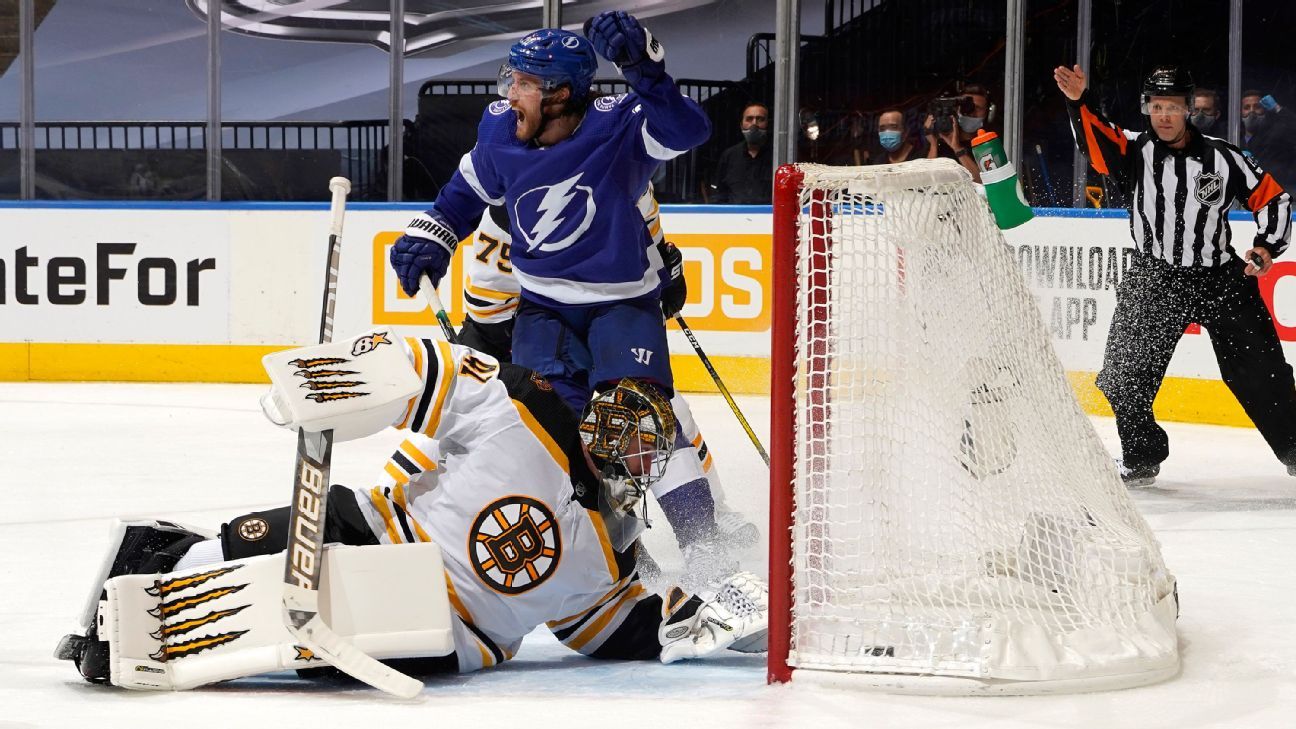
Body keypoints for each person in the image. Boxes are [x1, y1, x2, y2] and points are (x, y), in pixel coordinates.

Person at [57, 333, 768, 689]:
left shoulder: (613, 562)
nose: (624, 461)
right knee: (249, 542)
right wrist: (344, 383)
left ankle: (157, 631)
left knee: (270, 624)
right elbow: (429, 367)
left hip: (436, 632)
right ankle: (150, 567)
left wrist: (748, 610)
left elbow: (634, 627)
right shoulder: (526, 407)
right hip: (378, 525)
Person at [389, 13, 709, 421]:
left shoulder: (617, 128)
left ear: (559, 94)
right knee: (545, 425)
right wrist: (434, 235)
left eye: (524, 84)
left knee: (633, 427)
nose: (511, 95)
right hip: (542, 307)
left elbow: (689, 130)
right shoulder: (501, 133)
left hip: (622, 303)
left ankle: (666, 484)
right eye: (512, 79)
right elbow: (460, 197)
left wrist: (645, 73)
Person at [458, 187, 761, 583]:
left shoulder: (621, 168)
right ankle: (630, 561)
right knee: (576, 448)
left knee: (655, 414)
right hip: (541, 335)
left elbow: (649, 230)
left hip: (609, 314)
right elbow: (488, 314)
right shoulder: (509, 214)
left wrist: (661, 267)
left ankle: (708, 530)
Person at [1056, 63, 1296, 487]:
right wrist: (1080, 101)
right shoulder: (1132, 149)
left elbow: (1273, 201)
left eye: (1173, 107)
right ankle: (1141, 456)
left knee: (1265, 378)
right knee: (1123, 377)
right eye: (1156, 106)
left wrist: (1265, 247)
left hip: (1221, 279)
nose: (1164, 115)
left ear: (1188, 110)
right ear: (1147, 108)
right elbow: (1095, 140)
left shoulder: (1225, 156)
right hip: (1155, 277)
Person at [924, 83, 994, 182]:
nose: (971, 112)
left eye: (977, 108)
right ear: (957, 109)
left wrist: (957, 148)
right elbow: (926, 181)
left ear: (988, 113)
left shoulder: (988, 146)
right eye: (967, 106)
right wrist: (933, 145)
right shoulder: (941, 142)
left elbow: (983, 183)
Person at [708, 103, 773, 203]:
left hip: (769, 217)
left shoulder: (777, 155)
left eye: (760, 119)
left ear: (768, 124)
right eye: (749, 119)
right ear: (741, 125)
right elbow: (717, 194)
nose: (754, 124)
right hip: (734, 217)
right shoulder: (729, 156)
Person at [1241, 89, 1296, 190]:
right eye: (1246, 107)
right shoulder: (1234, 138)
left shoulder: (1277, 136)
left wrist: (1278, 109)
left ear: (1265, 110)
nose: (1251, 111)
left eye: (1257, 107)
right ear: (1240, 112)